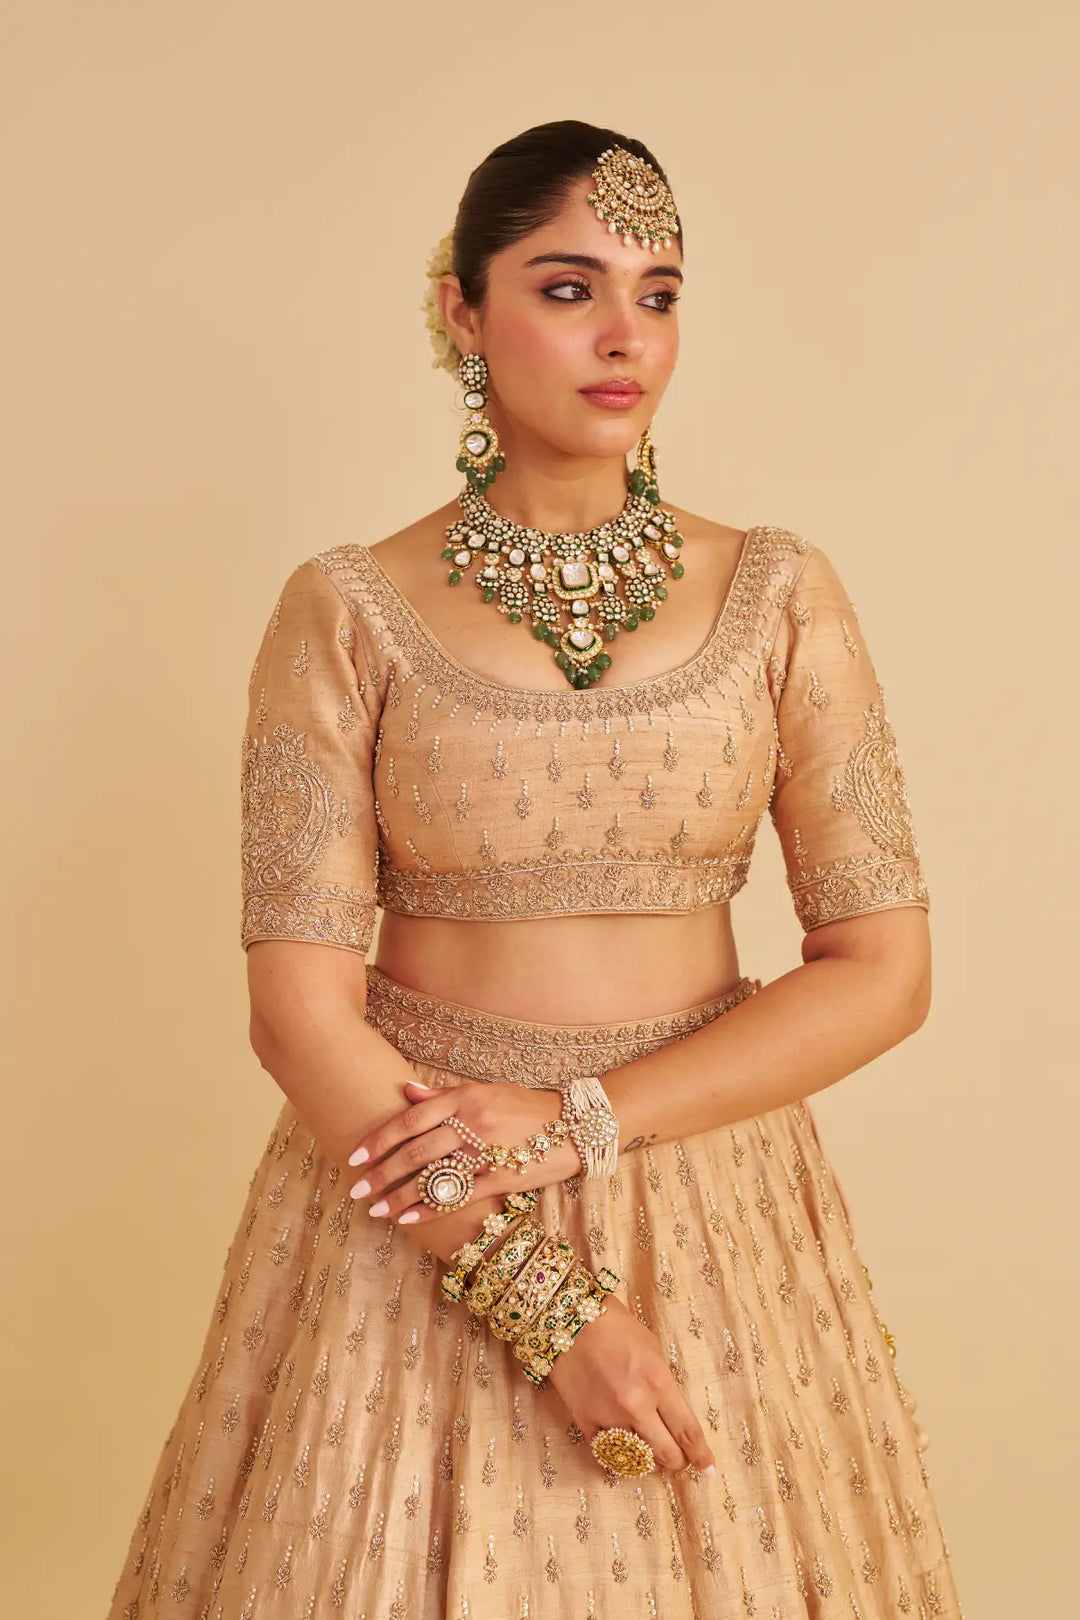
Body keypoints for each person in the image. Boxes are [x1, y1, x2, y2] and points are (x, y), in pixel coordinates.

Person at [105, 120, 963, 1619]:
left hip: (707, 1190)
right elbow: (298, 1016)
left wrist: (581, 1122)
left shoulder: (781, 596)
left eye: (659, 292)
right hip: (414, 1194)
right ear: (463, 309)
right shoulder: (348, 611)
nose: (626, 336)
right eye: (569, 289)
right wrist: (545, 1304)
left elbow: (885, 973)